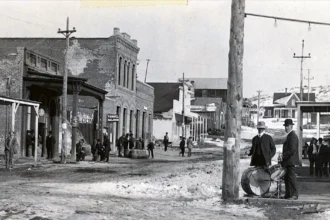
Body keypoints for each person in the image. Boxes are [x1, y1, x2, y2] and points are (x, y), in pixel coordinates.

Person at [280, 119, 299, 200]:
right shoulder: (290, 135)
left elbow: (292, 150)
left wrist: (283, 156)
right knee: (287, 178)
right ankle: (288, 194)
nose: (286, 128)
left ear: (291, 126)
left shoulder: (293, 136)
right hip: (288, 161)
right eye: (285, 126)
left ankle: (294, 195)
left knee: (291, 178)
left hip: (290, 161)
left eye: (287, 126)